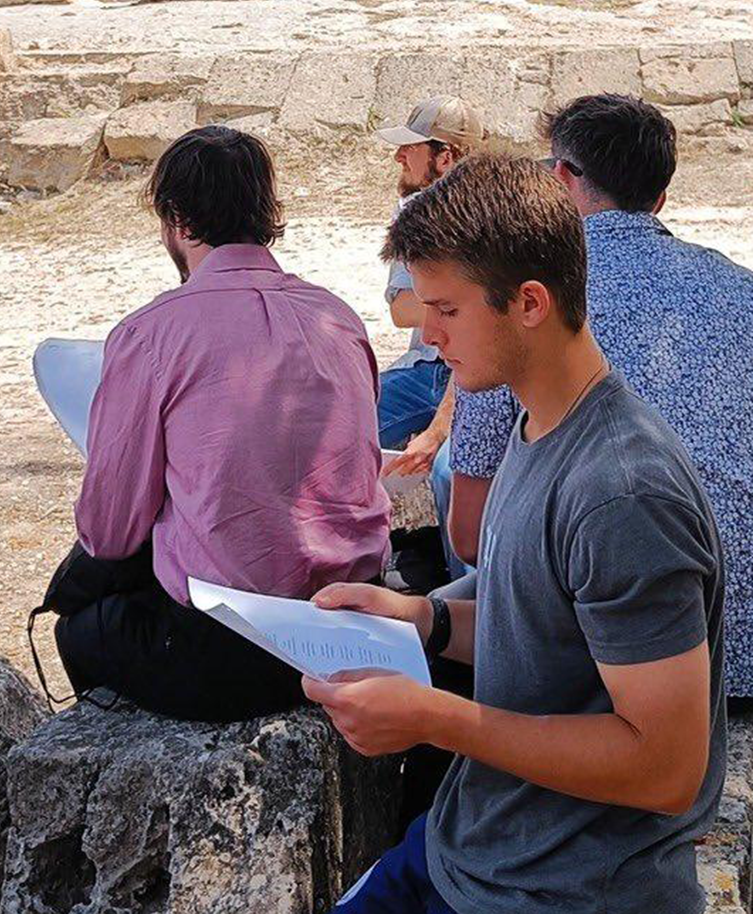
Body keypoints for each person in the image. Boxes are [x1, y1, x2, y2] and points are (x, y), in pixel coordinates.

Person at [314, 153, 724, 914]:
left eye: (448, 309)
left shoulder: (621, 492)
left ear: (529, 303)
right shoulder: (536, 420)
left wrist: (437, 720)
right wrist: (424, 618)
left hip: (561, 889)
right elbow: (539, 619)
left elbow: (666, 767)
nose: (428, 334)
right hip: (471, 849)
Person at [47, 126, 390, 722]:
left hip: (240, 641)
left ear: (177, 220)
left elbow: (109, 531)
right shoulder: (337, 315)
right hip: (356, 617)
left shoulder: (151, 333)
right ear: (265, 212)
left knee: (78, 625)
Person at [443, 95, 753, 704]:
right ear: (658, 199)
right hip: (741, 647)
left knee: (448, 479)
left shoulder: (521, 302)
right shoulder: (740, 287)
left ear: (559, 179)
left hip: (623, 677)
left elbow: (473, 535)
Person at [372, 97, 483, 451]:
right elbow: (403, 310)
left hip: (454, 372)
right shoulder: (414, 213)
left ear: (445, 157)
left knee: (340, 432)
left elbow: (405, 309)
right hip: (437, 368)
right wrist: (477, 308)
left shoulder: (419, 213)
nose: (398, 157)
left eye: (410, 147)